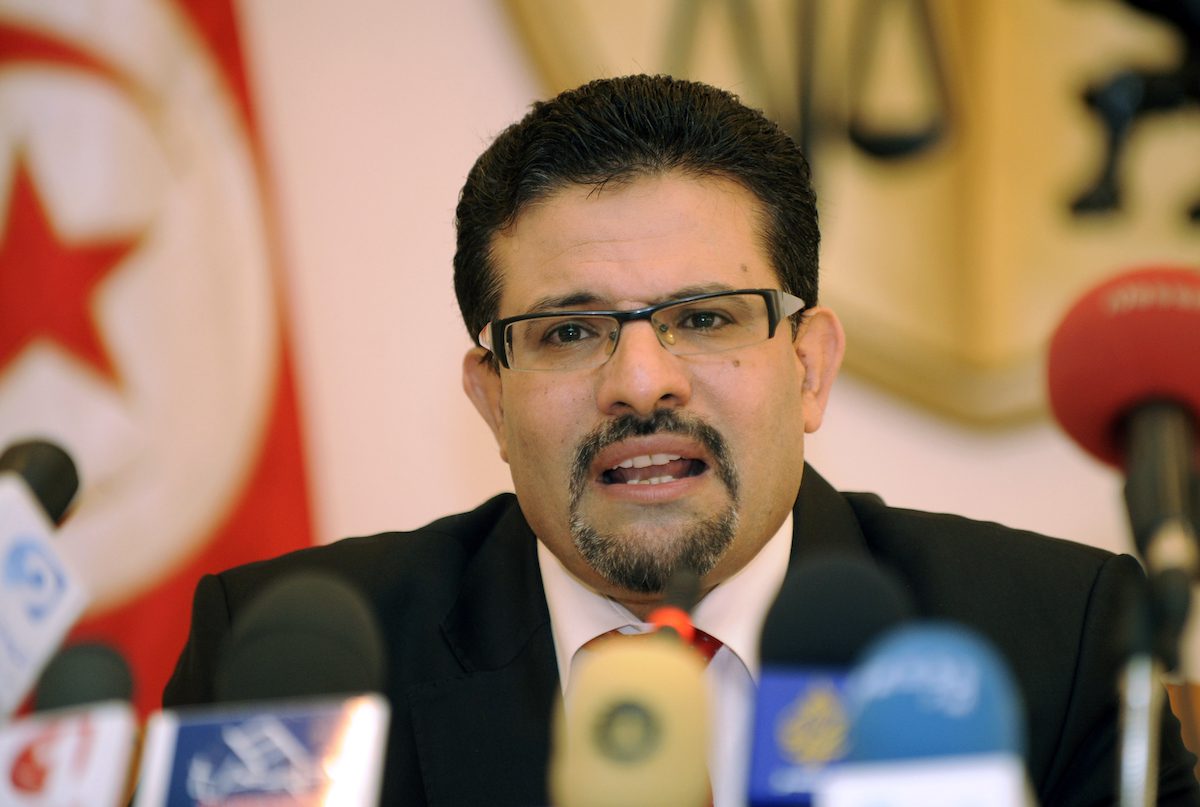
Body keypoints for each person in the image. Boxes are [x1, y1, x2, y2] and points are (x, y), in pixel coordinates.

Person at [164, 74, 1200, 805]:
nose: (641, 381)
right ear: (492, 401)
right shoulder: (289, 670)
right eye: (568, 332)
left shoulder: (1056, 644)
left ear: (812, 367)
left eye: (705, 318)